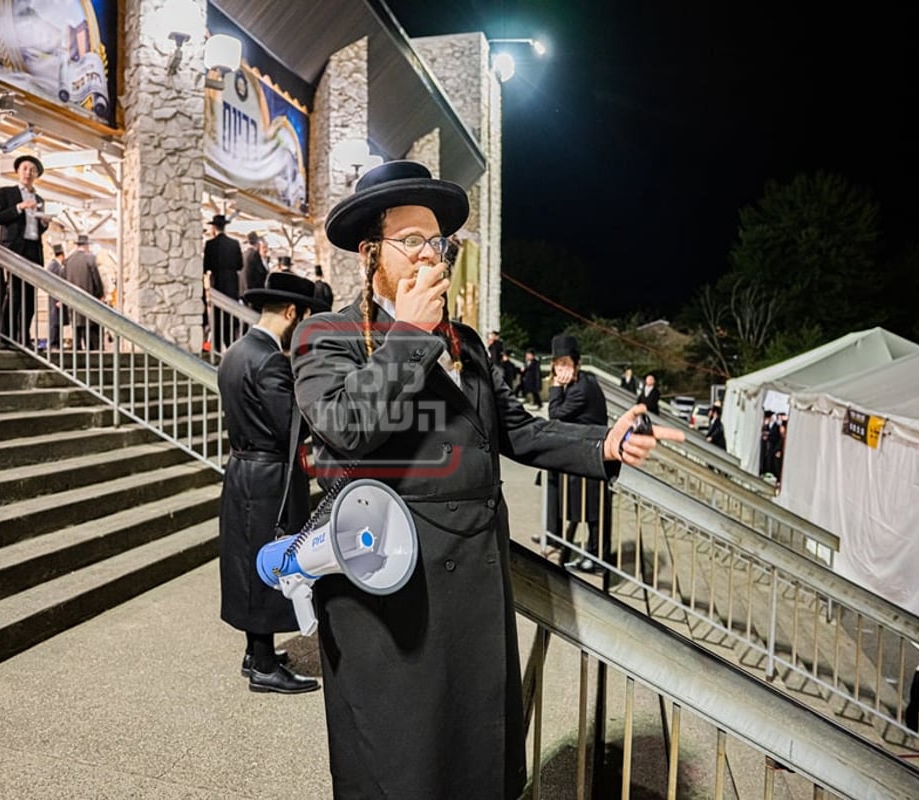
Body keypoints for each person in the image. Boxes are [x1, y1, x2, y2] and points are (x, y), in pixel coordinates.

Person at [289, 160, 683, 799]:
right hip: (388, 600)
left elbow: (519, 431)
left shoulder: (466, 342)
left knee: (476, 760)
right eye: (410, 239)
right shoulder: (327, 335)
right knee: (400, 766)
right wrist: (410, 337)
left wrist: (601, 443)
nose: (429, 253)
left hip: (474, 591)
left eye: (436, 241)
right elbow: (345, 428)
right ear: (370, 254)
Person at [218, 271, 328, 694]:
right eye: (304, 316)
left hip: (244, 470)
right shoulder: (269, 360)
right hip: (269, 477)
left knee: (248, 561)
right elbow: (291, 425)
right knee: (272, 563)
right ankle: (263, 665)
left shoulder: (237, 351)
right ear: (291, 312)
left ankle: (256, 652)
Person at [547, 335, 613, 573]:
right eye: (558, 364)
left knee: (594, 512)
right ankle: (590, 555)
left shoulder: (579, 391)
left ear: (576, 363)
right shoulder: (586, 381)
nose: (561, 369)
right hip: (593, 455)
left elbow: (554, 413)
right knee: (592, 509)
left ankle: (598, 560)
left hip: (591, 456)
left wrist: (555, 387)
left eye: (566, 363)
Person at [0, 154, 49, 349]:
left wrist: (44, 223)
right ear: (18, 171)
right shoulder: (6, 193)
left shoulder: (40, 198)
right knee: (15, 293)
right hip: (15, 249)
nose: (28, 173)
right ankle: (6, 337)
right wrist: (19, 207)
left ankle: (23, 337)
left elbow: (36, 228)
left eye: (32, 170)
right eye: (25, 168)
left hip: (33, 248)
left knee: (30, 296)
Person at [203, 213, 242, 354]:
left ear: (214, 228)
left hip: (217, 287)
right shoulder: (235, 244)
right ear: (225, 227)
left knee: (217, 322)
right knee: (230, 324)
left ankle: (217, 350)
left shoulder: (210, 245)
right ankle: (232, 350)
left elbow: (205, 266)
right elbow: (240, 265)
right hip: (232, 287)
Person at [62, 234, 104, 349]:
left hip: (73, 301)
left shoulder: (68, 261)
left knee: (76, 328)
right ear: (86, 246)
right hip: (88, 300)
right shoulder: (90, 258)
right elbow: (96, 279)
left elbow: (63, 280)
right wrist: (100, 295)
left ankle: (77, 355)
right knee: (90, 332)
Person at [45, 242, 66, 350]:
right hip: (55, 299)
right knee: (55, 322)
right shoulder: (54, 266)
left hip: (55, 298)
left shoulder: (54, 265)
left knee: (57, 321)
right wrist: (58, 299)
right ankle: (54, 343)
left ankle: (56, 343)